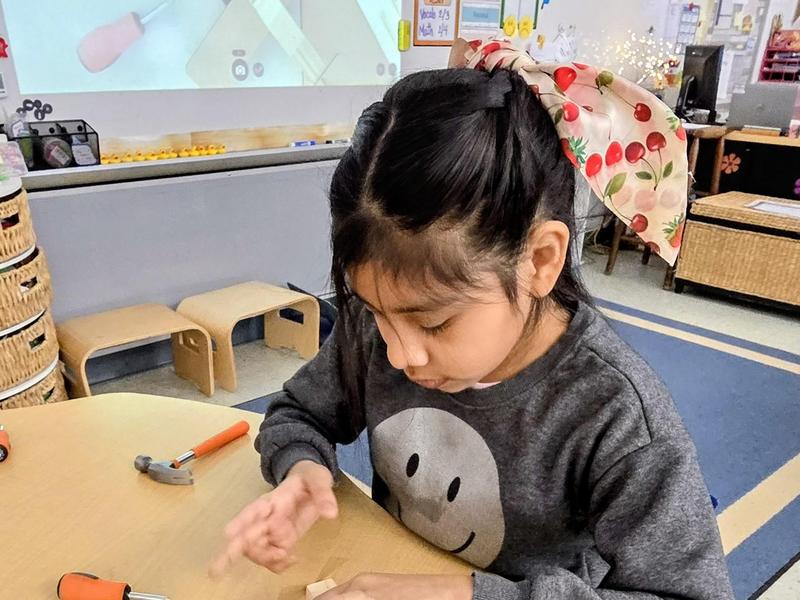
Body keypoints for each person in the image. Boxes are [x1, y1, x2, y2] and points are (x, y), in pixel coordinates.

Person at [211, 39, 734, 599]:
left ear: (539, 261)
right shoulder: (382, 326)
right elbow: (298, 414)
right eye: (374, 313)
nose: (399, 354)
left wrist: (463, 594)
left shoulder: (615, 414)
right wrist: (302, 471)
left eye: (434, 325)